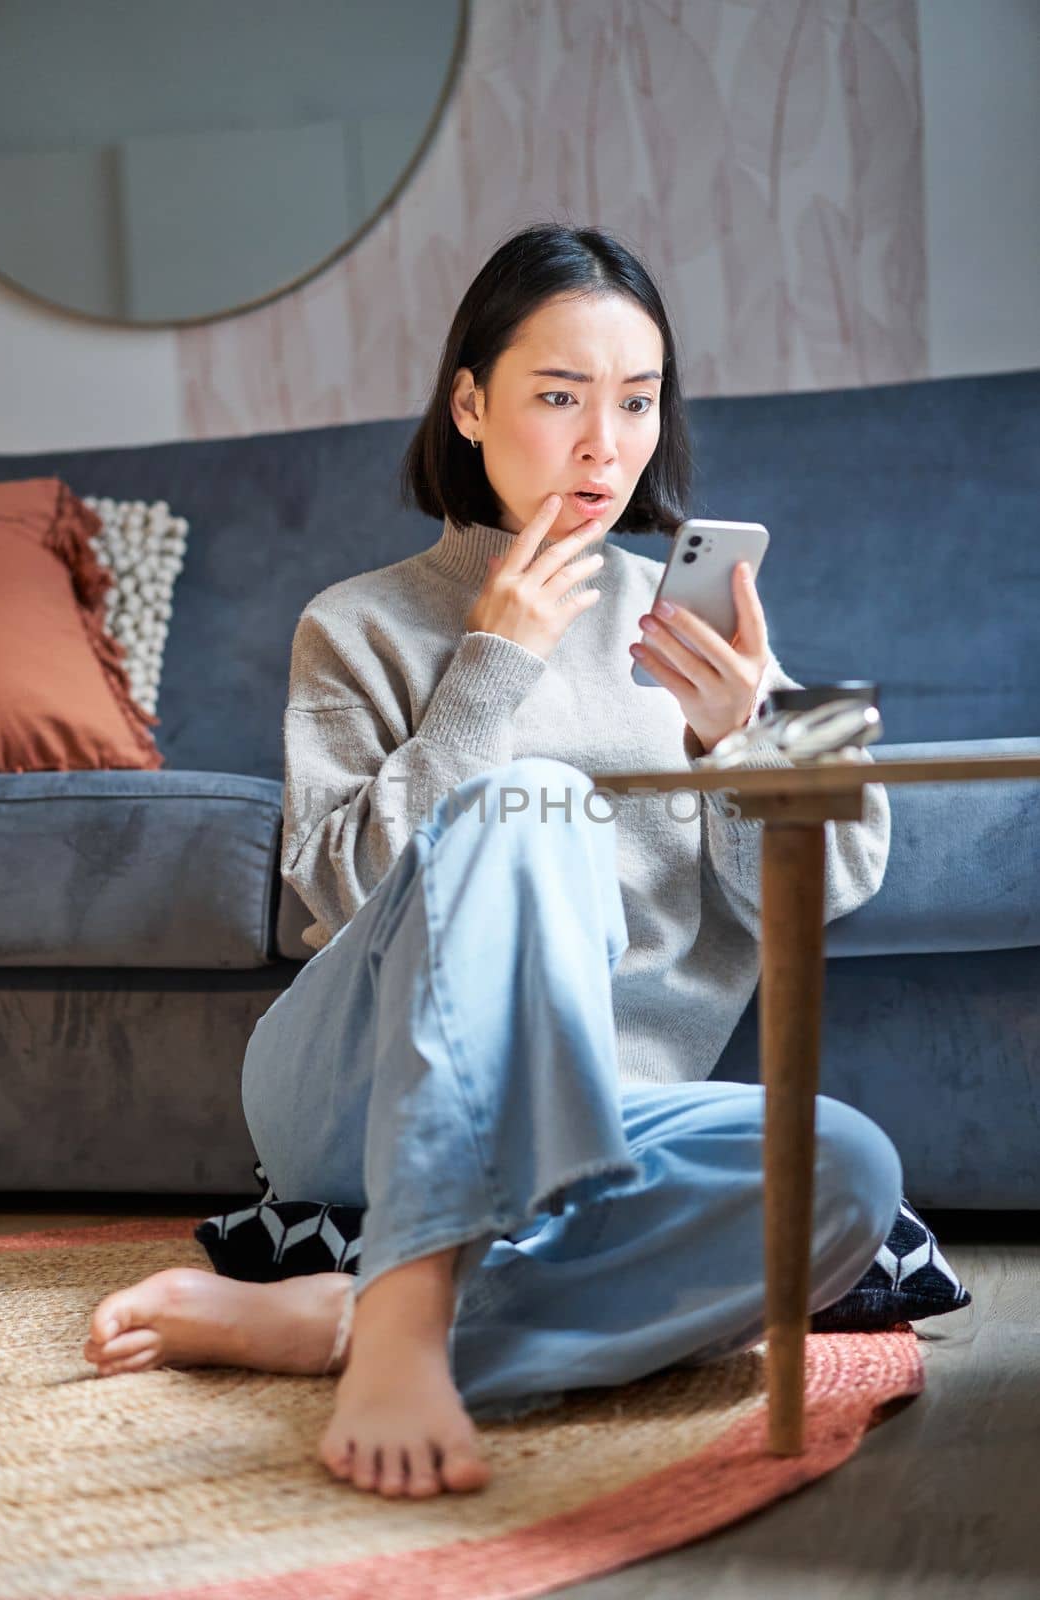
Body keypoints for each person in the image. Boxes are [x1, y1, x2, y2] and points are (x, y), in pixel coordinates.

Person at [82, 222, 901, 1503]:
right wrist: (489, 672)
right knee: (530, 799)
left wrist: (738, 737)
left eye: (636, 401)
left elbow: (843, 878)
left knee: (843, 1165)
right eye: (559, 396)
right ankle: (403, 1314)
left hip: (597, 1117)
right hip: (353, 1096)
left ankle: (334, 1321)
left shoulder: (693, 621)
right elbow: (340, 882)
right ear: (469, 403)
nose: (604, 444)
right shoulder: (353, 620)